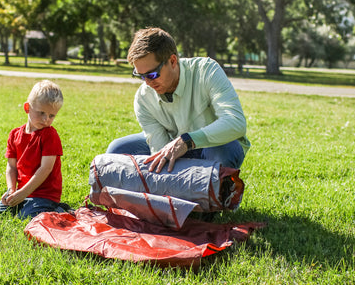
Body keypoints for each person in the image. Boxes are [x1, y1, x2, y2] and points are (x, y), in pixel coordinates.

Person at [106, 27, 250, 174]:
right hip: (174, 147)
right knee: (117, 150)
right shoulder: (143, 98)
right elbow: (159, 150)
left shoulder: (206, 71)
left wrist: (187, 141)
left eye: (152, 74)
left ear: (173, 61)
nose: (147, 83)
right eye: (141, 76)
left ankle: (213, 191)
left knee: (220, 154)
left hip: (215, 146)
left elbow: (236, 123)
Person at [0, 80, 68, 219]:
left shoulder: (50, 135)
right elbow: (11, 166)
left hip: (45, 195)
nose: (46, 119)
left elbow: (45, 168)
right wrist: (11, 190)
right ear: (27, 108)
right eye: (42, 113)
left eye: (52, 116)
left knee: (27, 217)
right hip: (22, 192)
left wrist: (23, 194)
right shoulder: (15, 134)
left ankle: (59, 209)